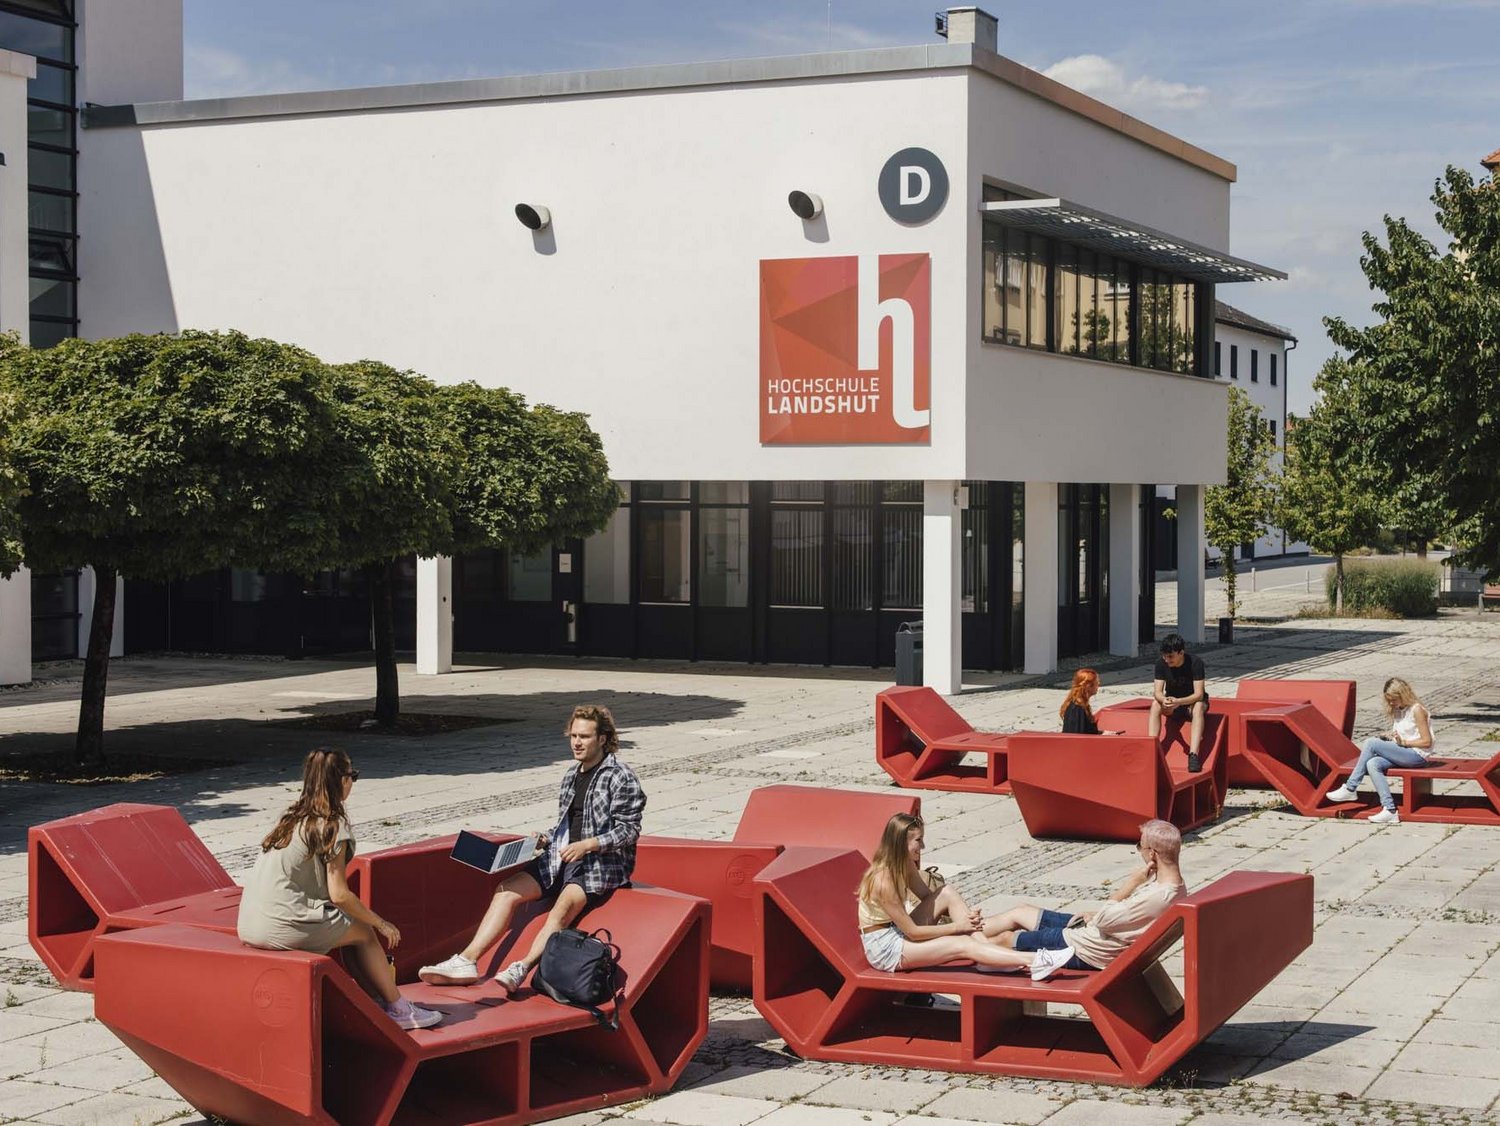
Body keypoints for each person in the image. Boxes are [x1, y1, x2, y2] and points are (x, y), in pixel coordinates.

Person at [420, 705, 646, 993]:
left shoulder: (620, 776)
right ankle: (466, 960)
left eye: (585, 737)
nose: (576, 742)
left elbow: (629, 830)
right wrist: (545, 838)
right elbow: (569, 824)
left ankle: (521, 968)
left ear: (602, 739)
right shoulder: (570, 775)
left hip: (599, 864)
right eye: (573, 735)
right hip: (560, 855)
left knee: (562, 909)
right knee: (506, 890)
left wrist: (588, 845)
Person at [237, 748, 443, 1031]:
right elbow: (340, 894)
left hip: (249, 923)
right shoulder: (332, 826)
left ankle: (373, 1001)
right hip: (281, 925)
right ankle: (398, 1008)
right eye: (353, 776)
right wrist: (382, 923)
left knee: (349, 929)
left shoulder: (291, 819)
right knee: (366, 933)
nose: (353, 783)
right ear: (340, 781)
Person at [981, 819, 1187, 981]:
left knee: (1006, 939)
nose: (1138, 850)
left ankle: (961, 947)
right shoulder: (1174, 886)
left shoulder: (1158, 896)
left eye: (1139, 846)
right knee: (1021, 912)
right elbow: (1118, 919)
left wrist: (1132, 883)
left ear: (1152, 854)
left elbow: (1107, 918)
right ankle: (960, 931)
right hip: (1095, 933)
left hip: (1085, 949)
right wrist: (1094, 916)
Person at [857, 812, 1033, 975]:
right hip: (885, 948)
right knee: (963, 942)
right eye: (919, 840)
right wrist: (959, 927)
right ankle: (1034, 961)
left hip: (898, 930)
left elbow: (931, 900)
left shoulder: (905, 863)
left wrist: (965, 918)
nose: (923, 846)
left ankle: (987, 954)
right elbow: (913, 933)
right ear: (902, 843)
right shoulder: (883, 881)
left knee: (946, 892)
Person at [1325, 677, 1435, 825]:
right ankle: (1390, 810)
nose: (1391, 703)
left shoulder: (1417, 710)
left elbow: (1427, 741)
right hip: (1404, 752)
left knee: (1370, 743)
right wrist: (1390, 737)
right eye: (1389, 700)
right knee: (1372, 763)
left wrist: (1405, 743)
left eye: (1394, 699)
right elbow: (1401, 735)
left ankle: (1351, 787)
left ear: (1403, 695)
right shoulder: (1398, 710)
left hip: (1417, 755)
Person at [1150, 633, 1208, 772]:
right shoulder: (1161, 664)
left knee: (1199, 706)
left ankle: (1193, 755)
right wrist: (1165, 700)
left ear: (1181, 652)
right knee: (1155, 704)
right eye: (1164, 656)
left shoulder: (1195, 663)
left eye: (1170, 656)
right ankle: (1151, 748)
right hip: (1173, 703)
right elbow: (1157, 692)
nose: (1167, 659)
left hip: (1191, 702)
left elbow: (1199, 694)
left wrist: (1179, 702)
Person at [1059, 668, 1122, 735]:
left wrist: (1103, 733)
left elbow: (1087, 732)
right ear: (1088, 686)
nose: (1098, 684)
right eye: (1097, 682)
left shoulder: (1078, 704)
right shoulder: (1077, 709)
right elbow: (1078, 737)